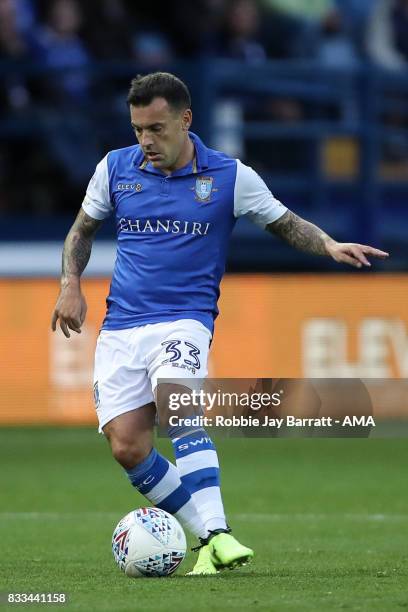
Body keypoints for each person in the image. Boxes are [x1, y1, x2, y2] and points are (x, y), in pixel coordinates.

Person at [51, 72, 388, 575]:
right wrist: (70, 284)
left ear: (186, 120)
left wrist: (328, 245)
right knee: (127, 445)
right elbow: (82, 230)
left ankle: (218, 533)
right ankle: (204, 538)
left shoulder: (230, 177)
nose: (146, 141)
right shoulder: (114, 168)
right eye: (138, 129)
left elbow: (284, 221)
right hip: (121, 326)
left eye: (157, 129)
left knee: (178, 404)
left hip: (184, 321)